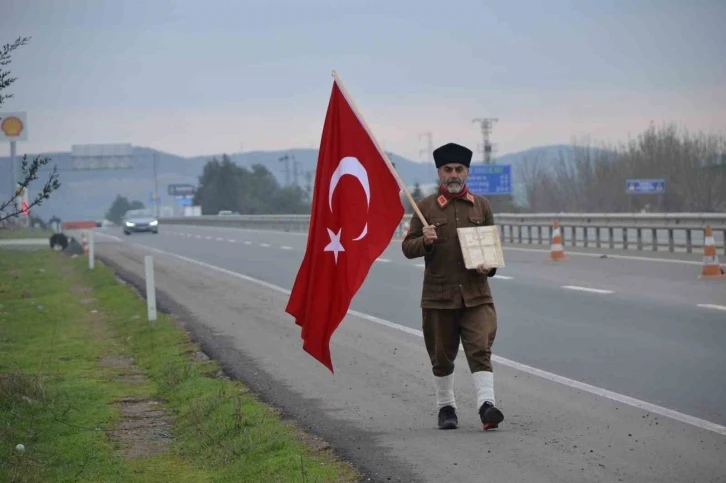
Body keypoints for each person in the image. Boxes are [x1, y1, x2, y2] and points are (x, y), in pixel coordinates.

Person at [402, 142, 504, 431]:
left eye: (459, 169)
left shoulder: (482, 206)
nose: (454, 174)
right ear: (439, 173)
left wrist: (490, 265)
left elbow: (491, 251)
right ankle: (446, 408)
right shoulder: (425, 208)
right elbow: (408, 248)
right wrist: (426, 240)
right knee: (441, 355)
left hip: (476, 295)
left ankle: (487, 405)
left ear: (467, 172)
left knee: (480, 348)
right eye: (448, 170)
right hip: (439, 296)